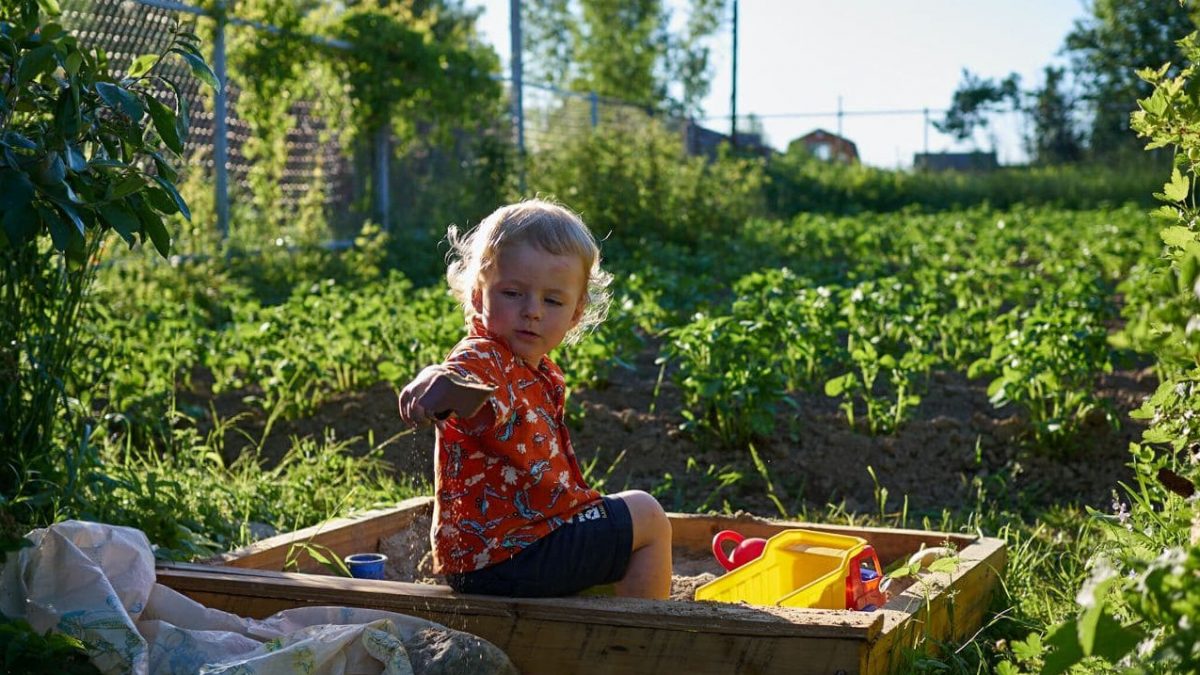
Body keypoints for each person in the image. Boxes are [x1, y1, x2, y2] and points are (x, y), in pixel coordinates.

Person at [396, 199, 672, 599]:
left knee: (612, 517)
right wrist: (434, 378)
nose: (532, 312)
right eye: (512, 293)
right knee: (647, 516)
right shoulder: (484, 354)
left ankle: (611, 608)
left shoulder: (539, 371)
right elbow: (462, 378)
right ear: (478, 296)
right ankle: (641, 641)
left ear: (576, 313)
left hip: (517, 547)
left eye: (552, 301)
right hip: (506, 556)